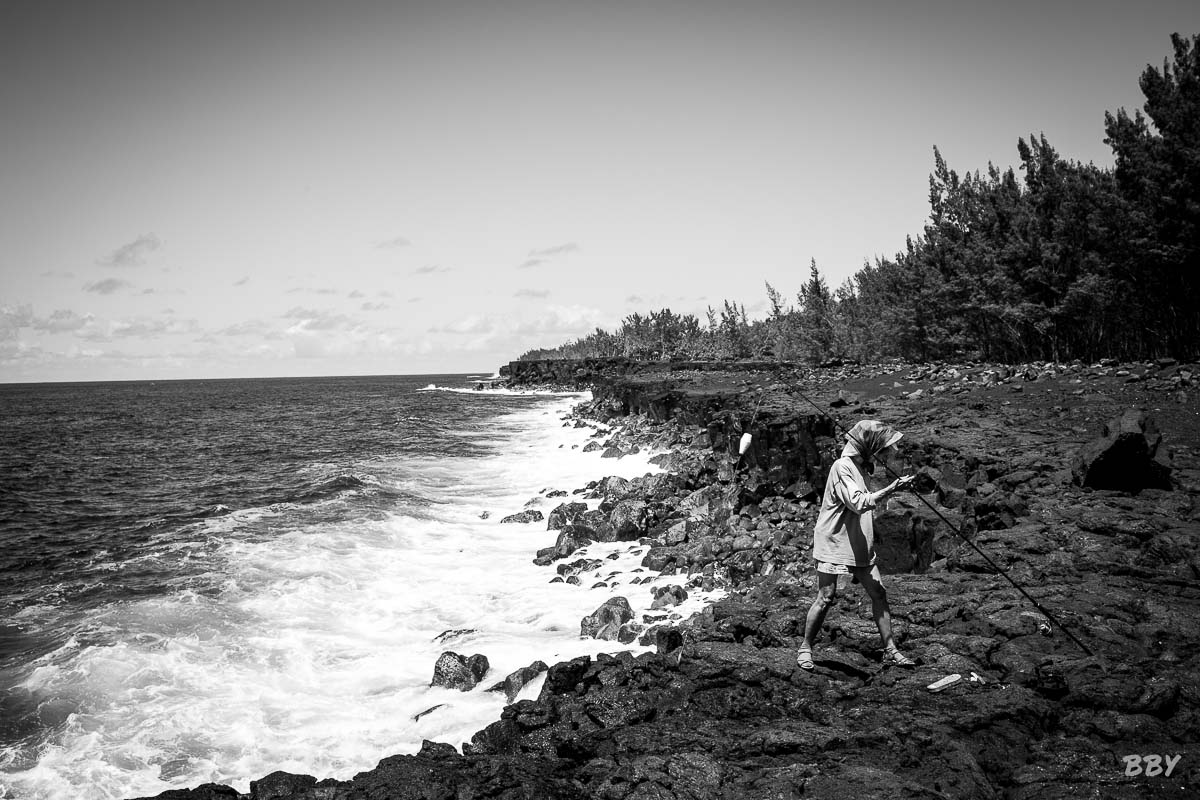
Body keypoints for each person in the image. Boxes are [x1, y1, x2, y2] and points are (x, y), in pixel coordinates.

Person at [797, 419, 916, 671]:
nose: (886, 453)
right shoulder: (842, 467)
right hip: (833, 539)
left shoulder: (863, 467)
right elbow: (858, 502)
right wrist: (892, 489)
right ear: (868, 447)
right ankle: (806, 647)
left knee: (879, 593)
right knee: (826, 596)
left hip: (858, 540)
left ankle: (891, 649)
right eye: (882, 448)